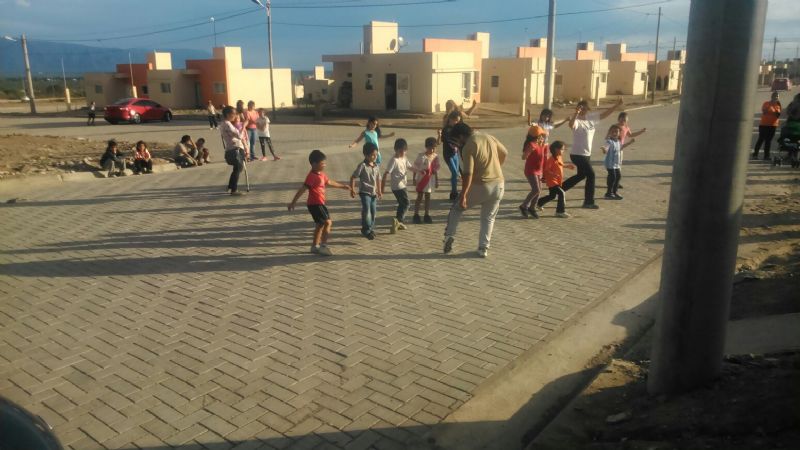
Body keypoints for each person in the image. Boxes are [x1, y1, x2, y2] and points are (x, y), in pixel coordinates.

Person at [443, 122, 508, 258]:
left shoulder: (469, 146)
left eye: (456, 140)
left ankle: (449, 236)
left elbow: (468, 173)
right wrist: (495, 167)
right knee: (488, 218)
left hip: (481, 186)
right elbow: (504, 152)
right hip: (499, 185)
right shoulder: (488, 136)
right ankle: (483, 248)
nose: (457, 144)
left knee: (456, 209)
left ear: (461, 136)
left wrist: (464, 195)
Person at [288, 150, 353, 256]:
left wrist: (343, 186)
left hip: (319, 203)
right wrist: (293, 203)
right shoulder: (311, 177)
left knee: (320, 224)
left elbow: (330, 182)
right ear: (314, 164)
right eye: (322, 163)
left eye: (324, 163)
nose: (324, 165)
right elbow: (302, 189)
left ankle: (314, 246)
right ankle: (323, 246)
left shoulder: (321, 174)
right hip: (315, 204)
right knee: (328, 222)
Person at [561, 98, 624, 209]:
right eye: (581, 109)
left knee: (581, 175)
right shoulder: (576, 120)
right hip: (577, 154)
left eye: (585, 109)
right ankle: (588, 202)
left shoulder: (591, 118)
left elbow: (605, 114)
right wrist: (576, 113)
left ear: (588, 109)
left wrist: (616, 105)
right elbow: (571, 125)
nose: (583, 110)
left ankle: (560, 189)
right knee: (591, 174)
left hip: (586, 154)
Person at [381, 138, 415, 234]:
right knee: (407, 203)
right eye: (400, 151)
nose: (402, 153)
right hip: (398, 186)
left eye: (404, 151)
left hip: (402, 184)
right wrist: (382, 188)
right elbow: (386, 173)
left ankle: (398, 222)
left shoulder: (404, 158)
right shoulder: (394, 160)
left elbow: (410, 167)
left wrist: (419, 170)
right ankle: (398, 221)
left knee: (402, 204)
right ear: (395, 150)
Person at [350, 142, 382, 240]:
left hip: (373, 193)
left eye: (376, 155)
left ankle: (370, 228)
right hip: (364, 193)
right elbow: (353, 177)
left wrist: (379, 191)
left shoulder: (376, 166)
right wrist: (352, 189)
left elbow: (378, 179)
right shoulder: (362, 166)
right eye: (373, 155)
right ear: (366, 155)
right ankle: (366, 230)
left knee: (373, 211)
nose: (375, 157)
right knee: (367, 209)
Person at [537, 141, 575, 218]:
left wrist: (567, 166)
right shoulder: (551, 159)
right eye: (562, 149)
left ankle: (539, 203)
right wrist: (553, 174)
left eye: (564, 149)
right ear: (556, 149)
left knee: (552, 196)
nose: (563, 151)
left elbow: (560, 165)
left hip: (557, 181)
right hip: (552, 181)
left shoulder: (559, 157)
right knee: (561, 193)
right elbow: (546, 170)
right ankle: (560, 211)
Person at [600, 125, 636, 200]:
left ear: (619, 133)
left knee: (618, 176)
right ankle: (608, 193)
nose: (614, 133)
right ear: (609, 133)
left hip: (616, 164)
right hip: (610, 164)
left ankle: (614, 192)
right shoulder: (609, 141)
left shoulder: (618, 142)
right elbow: (606, 148)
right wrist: (604, 149)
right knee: (612, 177)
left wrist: (630, 142)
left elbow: (621, 147)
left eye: (616, 131)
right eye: (612, 131)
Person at [519, 125, 548, 218]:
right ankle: (524, 206)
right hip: (531, 170)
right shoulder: (531, 145)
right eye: (541, 135)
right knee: (536, 189)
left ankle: (532, 208)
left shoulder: (541, 145)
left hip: (538, 170)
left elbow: (544, 158)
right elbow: (523, 157)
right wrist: (528, 152)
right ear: (536, 136)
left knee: (539, 191)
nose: (543, 137)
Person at [412, 137, 441, 224]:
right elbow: (415, 167)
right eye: (430, 148)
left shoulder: (436, 157)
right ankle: (416, 214)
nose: (432, 150)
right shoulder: (421, 156)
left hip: (430, 179)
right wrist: (414, 178)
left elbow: (435, 170)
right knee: (420, 196)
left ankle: (426, 214)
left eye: (434, 148)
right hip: (422, 179)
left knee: (428, 197)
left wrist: (436, 180)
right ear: (426, 147)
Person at [220, 106, 247, 196]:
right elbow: (239, 136)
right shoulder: (227, 124)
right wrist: (243, 127)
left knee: (236, 168)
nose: (235, 116)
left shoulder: (225, 123)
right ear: (228, 114)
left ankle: (231, 186)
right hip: (235, 149)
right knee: (238, 168)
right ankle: (234, 189)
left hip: (231, 148)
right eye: (233, 114)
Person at [616, 112, 646, 189]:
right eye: (621, 119)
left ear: (627, 121)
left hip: (621, 148)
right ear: (618, 119)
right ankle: (612, 182)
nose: (623, 121)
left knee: (619, 166)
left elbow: (630, 135)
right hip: (614, 148)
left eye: (625, 120)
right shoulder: (615, 127)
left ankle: (617, 182)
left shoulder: (626, 128)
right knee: (613, 167)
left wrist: (641, 132)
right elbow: (609, 136)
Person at [438, 110, 463, 202]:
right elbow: (448, 140)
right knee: (455, 173)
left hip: (455, 154)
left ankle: (454, 192)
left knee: (455, 174)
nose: (456, 122)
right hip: (448, 154)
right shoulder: (446, 129)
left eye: (458, 121)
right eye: (455, 120)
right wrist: (455, 145)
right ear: (451, 119)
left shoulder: (456, 128)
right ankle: (454, 192)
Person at [753, 91, 782, 160]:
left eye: (777, 97)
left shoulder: (778, 106)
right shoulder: (766, 103)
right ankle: (755, 154)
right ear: (772, 97)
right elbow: (764, 111)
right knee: (761, 139)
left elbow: (778, 115)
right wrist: (771, 106)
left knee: (768, 141)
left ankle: (766, 156)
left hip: (773, 125)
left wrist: (776, 110)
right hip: (764, 125)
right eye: (775, 96)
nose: (776, 98)